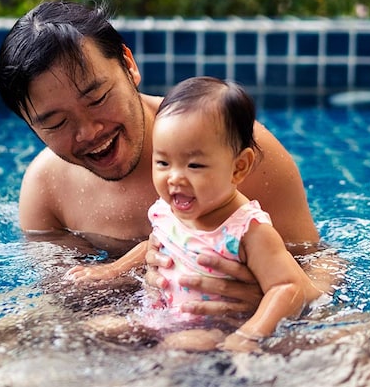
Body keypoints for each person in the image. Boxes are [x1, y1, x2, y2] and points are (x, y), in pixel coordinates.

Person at [0, 0, 341, 316]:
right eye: (56, 122)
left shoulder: (228, 149)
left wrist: (271, 303)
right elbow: (67, 305)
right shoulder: (46, 191)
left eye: (98, 98)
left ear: (129, 65)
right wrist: (123, 278)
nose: (89, 131)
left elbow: (320, 263)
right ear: (31, 126)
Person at [66, 77, 321, 352]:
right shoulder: (169, 211)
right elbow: (152, 246)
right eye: (163, 162)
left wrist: (249, 334)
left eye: (195, 165)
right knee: (91, 330)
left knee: (177, 348)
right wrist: (111, 271)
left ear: (239, 167)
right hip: (160, 316)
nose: (175, 178)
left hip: (215, 327)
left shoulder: (247, 231)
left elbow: (288, 287)